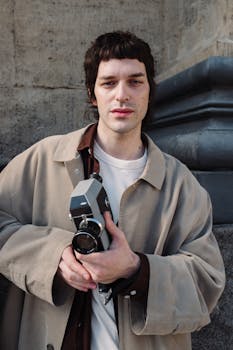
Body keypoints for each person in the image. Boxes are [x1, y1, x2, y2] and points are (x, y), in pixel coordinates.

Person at [0, 31, 225, 350]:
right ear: (93, 94)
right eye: (108, 83)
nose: (122, 95)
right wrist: (54, 257)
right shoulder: (43, 159)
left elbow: (208, 282)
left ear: (149, 92)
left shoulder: (181, 184)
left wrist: (135, 268)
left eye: (135, 81)